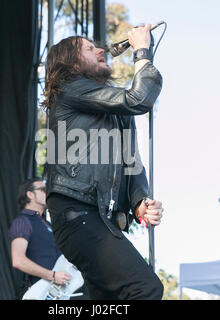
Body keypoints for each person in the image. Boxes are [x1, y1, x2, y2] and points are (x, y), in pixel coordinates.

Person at [42, 24, 165, 300]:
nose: (100, 49)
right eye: (89, 48)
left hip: (101, 218)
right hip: (77, 213)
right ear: (72, 63)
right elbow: (139, 98)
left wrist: (140, 202)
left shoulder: (115, 109)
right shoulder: (69, 89)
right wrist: (142, 53)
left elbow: (132, 162)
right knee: (145, 289)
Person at [9, 178, 72, 294]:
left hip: (59, 291)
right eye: (43, 189)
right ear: (30, 195)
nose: (48, 192)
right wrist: (52, 276)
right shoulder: (23, 221)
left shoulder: (48, 224)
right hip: (39, 292)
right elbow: (18, 260)